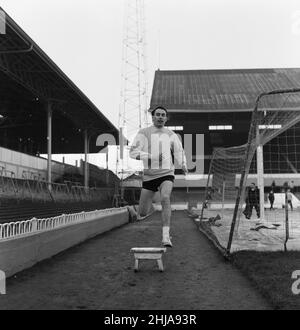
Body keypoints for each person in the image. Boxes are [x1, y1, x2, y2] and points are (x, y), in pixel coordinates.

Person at [129, 106, 187, 247]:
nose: (160, 117)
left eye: (163, 115)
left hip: (166, 173)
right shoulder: (143, 133)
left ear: (166, 118)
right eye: (158, 114)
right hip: (149, 176)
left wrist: (183, 164)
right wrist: (152, 157)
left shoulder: (171, 134)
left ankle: (166, 237)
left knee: (165, 197)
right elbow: (132, 152)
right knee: (142, 213)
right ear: (153, 117)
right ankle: (135, 211)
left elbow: (179, 151)